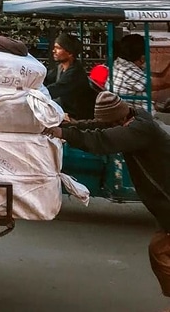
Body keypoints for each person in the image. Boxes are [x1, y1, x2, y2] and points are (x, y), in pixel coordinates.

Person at [47, 91, 170, 306]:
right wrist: (66, 126)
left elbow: (101, 140)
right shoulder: (131, 116)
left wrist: (61, 132)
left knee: (160, 251)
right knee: (160, 251)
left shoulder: (140, 129)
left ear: (121, 119)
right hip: (164, 205)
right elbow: (96, 126)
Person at [44, 31, 97, 120]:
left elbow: (56, 89)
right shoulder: (61, 67)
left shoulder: (75, 73)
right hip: (66, 109)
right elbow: (47, 79)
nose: (54, 51)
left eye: (58, 48)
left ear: (70, 53)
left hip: (77, 117)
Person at [112, 33, 149, 107]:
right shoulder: (128, 70)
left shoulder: (117, 63)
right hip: (137, 115)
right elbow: (151, 85)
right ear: (142, 58)